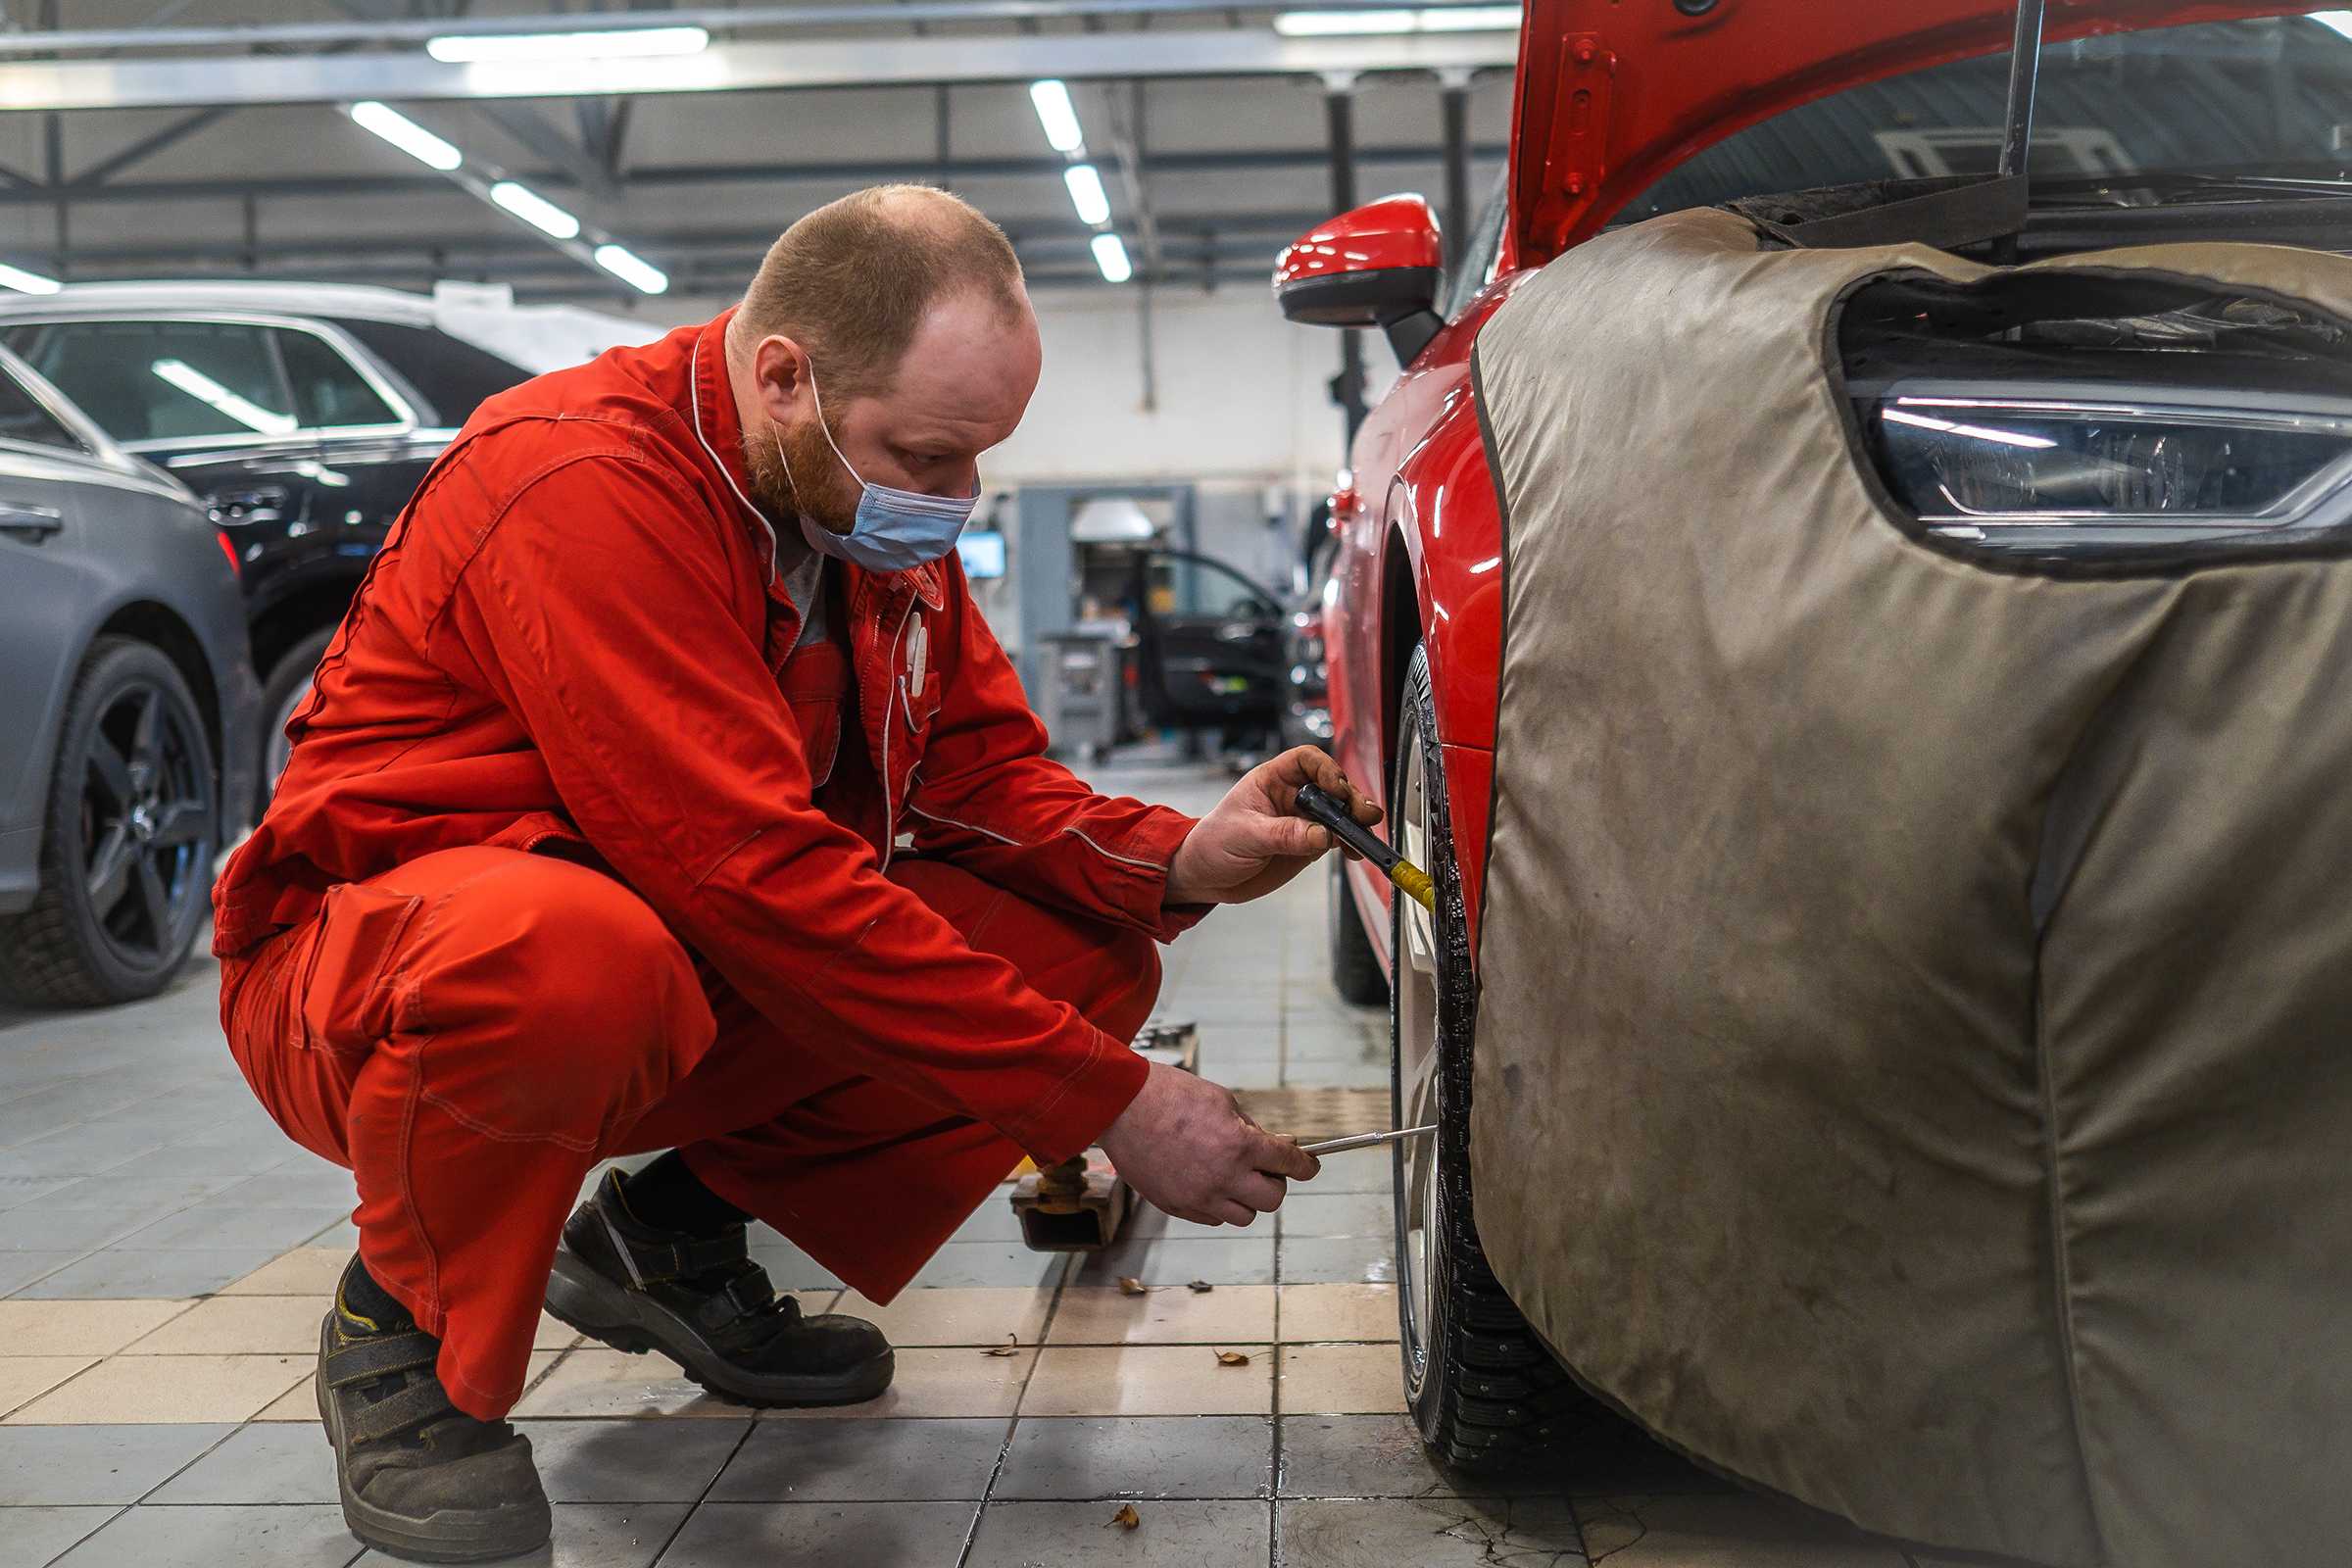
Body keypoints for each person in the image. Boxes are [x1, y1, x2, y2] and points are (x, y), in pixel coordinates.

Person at [211, 183, 1377, 1562]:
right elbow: (749, 874)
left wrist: (1182, 851)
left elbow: (978, 779)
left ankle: (667, 1241)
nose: (956, 500)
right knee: (573, 950)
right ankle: (398, 1337)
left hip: (656, 977)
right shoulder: (583, 483)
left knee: (1085, 956)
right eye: (930, 456)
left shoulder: (852, 513)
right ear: (784, 379)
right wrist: (1109, 1102)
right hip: (383, 985)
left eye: (977, 460)